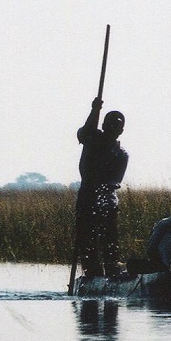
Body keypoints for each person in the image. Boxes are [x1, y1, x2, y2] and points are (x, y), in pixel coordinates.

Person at [75, 96, 128, 277]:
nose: (113, 129)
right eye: (110, 124)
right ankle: (91, 273)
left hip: (107, 201)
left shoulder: (121, 154)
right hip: (87, 197)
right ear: (104, 126)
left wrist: (101, 188)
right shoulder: (92, 139)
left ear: (121, 130)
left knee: (109, 241)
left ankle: (112, 271)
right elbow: (85, 132)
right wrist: (95, 110)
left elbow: (115, 182)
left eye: (117, 126)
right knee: (87, 240)